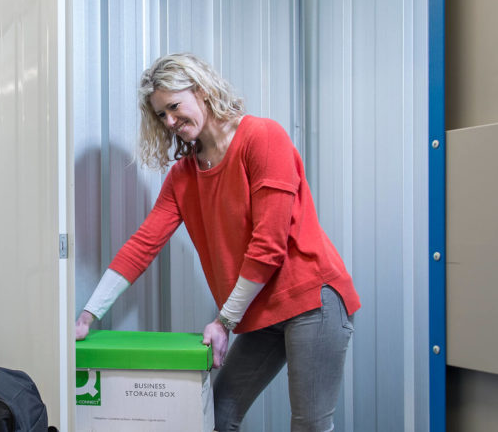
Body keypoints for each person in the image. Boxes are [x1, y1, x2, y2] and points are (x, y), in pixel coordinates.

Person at [75, 53, 360, 432]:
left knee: (308, 425)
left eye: (174, 107)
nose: (170, 122)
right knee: (217, 415)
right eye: (161, 115)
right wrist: (87, 315)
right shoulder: (183, 176)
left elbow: (269, 245)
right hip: (261, 310)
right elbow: (144, 244)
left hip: (311, 298)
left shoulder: (262, 137)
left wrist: (224, 321)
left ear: (204, 92)